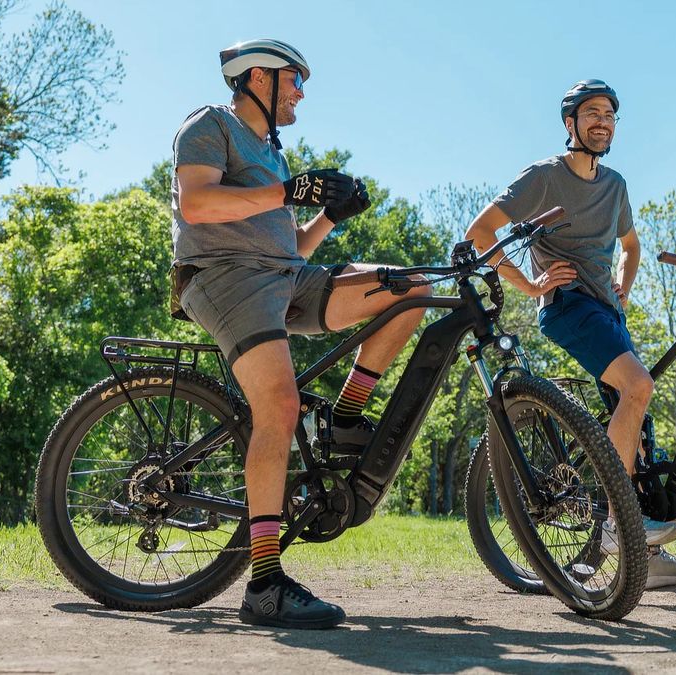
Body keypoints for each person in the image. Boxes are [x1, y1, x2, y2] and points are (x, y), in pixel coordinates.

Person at [170, 38, 429, 629]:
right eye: (294, 81)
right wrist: (290, 191)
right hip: (225, 277)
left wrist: (330, 216)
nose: (300, 94)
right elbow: (198, 205)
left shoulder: (273, 155)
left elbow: (293, 247)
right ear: (258, 77)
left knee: (410, 290)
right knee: (280, 407)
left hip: (286, 276)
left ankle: (345, 417)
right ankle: (263, 585)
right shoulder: (209, 125)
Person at [464, 79, 676, 588]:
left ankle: (644, 560)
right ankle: (620, 527)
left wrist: (623, 286)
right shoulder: (544, 177)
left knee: (640, 432)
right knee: (637, 387)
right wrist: (530, 284)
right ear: (570, 123)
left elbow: (631, 245)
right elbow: (479, 234)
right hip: (568, 307)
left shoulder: (616, 184)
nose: (602, 121)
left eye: (610, 114)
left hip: (606, 312)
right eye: (591, 112)